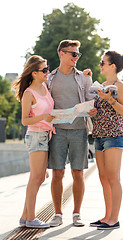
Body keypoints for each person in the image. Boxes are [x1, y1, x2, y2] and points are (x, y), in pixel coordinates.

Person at [47, 40, 97, 227]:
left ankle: (77, 214)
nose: (76, 57)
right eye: (73, 54)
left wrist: (93, 109)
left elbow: (92, 100)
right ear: (62, 53)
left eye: (78, 54)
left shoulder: (84, 77)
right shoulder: (49, 78)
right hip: (57, 131)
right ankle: (58, 214)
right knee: (57, 173)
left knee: (77, 173)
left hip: (79, 131)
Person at [13, 55, 55, 228]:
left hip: (45, 134)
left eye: (47, 68)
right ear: (34, 73)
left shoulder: (45, 86)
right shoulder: (28, 94)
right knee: (36, 177)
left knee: (40, 177)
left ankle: (25, 217)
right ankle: (31, 218)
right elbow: (24, 121)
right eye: (44, 70)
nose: (48, 72)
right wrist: (43, 117)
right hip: (36, 136)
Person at [90, 51, 123, 230]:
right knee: (103, 177)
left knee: (113, 178)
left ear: (113, 66)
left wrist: (109, 100)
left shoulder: (119, 86)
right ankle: (107, 216)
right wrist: (93, 111)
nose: (101, 65)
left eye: (103, 62)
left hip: (114, 135)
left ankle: (114, 219)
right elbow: (100, 110)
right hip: (99, 134)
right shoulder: (102, 85)